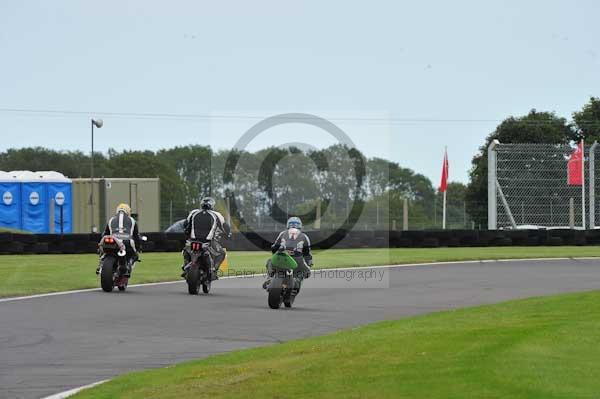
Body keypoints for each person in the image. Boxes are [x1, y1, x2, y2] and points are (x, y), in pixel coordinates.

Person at [181, 197, 231, 279]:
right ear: (212, 205)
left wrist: (187, 232)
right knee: (222, 253)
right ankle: (214, 270)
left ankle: (185, 266)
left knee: (185, 250)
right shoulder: (216, 214)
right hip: (208, 242)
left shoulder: (193, 212)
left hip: (193, 240)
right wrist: (228, 234)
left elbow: (185, 224)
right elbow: (225, 227)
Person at [263, 216, 313, 290]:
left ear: (287, 225)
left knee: (270, 261)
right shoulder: (304, 236)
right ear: (300, 226)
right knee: (306, 273)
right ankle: (296, 285)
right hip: (297, 260)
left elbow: (274, 247)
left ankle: (269, 279)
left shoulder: (282, 233)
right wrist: (309, 264)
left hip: (282, 257)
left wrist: (276, 253)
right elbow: (307, 253)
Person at [96, 203, 141, 275]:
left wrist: (100, 248)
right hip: (127, 242)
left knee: (103, 253)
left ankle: (100, 265)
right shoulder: (132, 220)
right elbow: (136, 236)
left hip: (113, 241)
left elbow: (104, 234)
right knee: (135, 255)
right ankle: (128, 266)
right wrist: (139, 248)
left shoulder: (111, 220)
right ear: (128, 211)